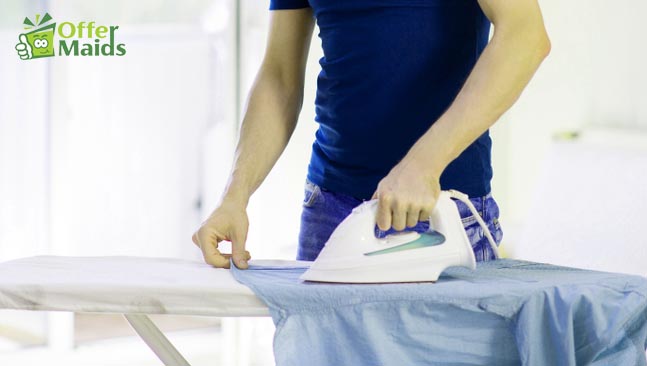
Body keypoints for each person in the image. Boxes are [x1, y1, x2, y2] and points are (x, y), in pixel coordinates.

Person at [192, 0, 551, 269]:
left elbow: (525, 37)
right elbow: (279, 77)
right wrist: (234, 197)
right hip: (330, 214)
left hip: (442, 211)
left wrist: (423, 165)